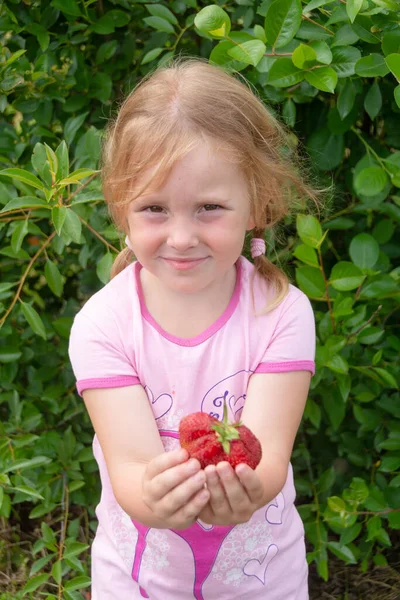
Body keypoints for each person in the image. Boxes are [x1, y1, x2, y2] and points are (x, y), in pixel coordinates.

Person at [68, 56, 319, 600]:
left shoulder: (282, 312)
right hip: (136, 579)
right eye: (154, 208)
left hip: (261, 576)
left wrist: (249, 490)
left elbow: (269, 455)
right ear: (121, 209)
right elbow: (130, 465)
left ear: (259, 203)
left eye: (209, 207)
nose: (181, 237)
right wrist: (148, 498)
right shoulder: (103, 325)